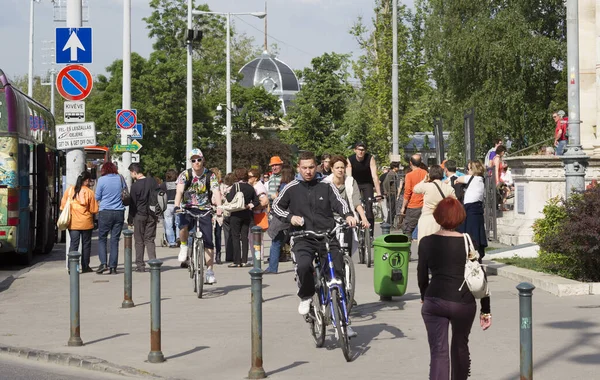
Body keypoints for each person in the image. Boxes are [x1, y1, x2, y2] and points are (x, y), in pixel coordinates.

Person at [271, 151, 357, 322]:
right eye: (304, 168)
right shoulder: (291, 187)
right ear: (299, 168)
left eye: (311, 167)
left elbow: (340, 202)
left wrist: (347, 215)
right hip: (302, 237)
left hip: (326, 236)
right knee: (303, 266)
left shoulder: (326, 185)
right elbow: (276, 206)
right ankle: (306, 296)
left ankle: (343, 319)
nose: (308, 171)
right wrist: (290, 218)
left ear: (316, 167)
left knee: (337, 275)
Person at [418, 197, 492, 380]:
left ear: (437, 217)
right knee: (460, 346)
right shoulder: (469, 242)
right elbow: (480, 276)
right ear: (460, 217)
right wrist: (486, 310)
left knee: (438, 351)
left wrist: (424, 295)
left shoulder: (427, 242)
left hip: (435, 300)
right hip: (463, 303)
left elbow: (421, 275)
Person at [174, 148, 222, 284]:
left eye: (199, 159)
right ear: (190, 162)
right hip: (188, 208)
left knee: (208, 242)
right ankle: (183, 246)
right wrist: (177, 206)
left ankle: (210, 271)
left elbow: (216, 191)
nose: (196, 162)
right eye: (193, 160)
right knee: (183, 226)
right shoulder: (185, 175)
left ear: (203, 160)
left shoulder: (210, 175)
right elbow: (179, 191)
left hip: (204, 209)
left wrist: (219, 207)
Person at [322, 155, 370, 251]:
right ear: (332, 169)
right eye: (337, 168)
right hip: (330, 218)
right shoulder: (325, 183)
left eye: (342, 167)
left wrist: (364, 218)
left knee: (347, 248)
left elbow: (357, 202)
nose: (340, 170)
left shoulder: (350, 181)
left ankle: (347, 260)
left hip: (347, 217)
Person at [60, 171, 99, 273]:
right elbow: (94, 209)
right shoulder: (89, 192)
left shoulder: (70, 190)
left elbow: (63, 206)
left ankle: (71, 267)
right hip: (86, 223)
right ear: (86, 181)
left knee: (74, 244)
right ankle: (85, 266)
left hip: (73, 223)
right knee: (86, 245)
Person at [95, 162, 126, 274]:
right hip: (119, 212)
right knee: (115, 240)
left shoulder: (102, 180)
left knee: (102, 238)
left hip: (105, 212)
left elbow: (97, 196)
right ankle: (113, 266)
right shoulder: (120, 178)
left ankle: (103, 263)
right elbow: (125, 192)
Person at [346, 142, 383, 237]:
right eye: (359, 149)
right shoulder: (350, 159)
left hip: (367, 183)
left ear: (365, 151)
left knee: (369, 206)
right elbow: (349, 177)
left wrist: (379, 193)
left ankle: (370, 234)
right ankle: (355, 231)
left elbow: (375, 176)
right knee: (355, 206)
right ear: (355, 150)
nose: (361, 152)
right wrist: (349, 192)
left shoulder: (370, 158)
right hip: (355, 184)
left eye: (363, 150)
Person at [128, 163, 159, 272]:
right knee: (150, 239)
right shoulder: (153, 182)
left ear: (134, 172)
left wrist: (130, 219)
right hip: (152, 215)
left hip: (139, 215)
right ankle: (153, 263)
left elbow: (132, 204)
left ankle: (140, 265)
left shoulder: (135, 186)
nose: (131, 176)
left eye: (131, 173)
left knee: (139, 241)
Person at [226, 168, 259, 268]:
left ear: (236, 176)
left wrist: (226, 194)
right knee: (244, 237)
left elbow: (229, 199)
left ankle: (237, 261)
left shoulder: (235, 186)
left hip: (236, 214)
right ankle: (244, 260)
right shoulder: (250, 187)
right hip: (246, 213)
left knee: (235, 237)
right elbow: (256, 201)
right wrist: (249, 205)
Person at [455, 161, 488, 261]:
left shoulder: (472, 178)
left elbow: (458, 179)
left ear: (473, 170)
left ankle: (470, 255)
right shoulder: (481, 179)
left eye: (468, 169)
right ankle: (477, 255)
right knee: (476, 234)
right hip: (477, 210)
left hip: (470, 210)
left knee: (469, 234)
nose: (467, 171)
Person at [413, 165, 456, 243]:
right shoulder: (449, 189)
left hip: (426, 219)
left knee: (425, 245)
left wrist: (424, 180)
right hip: (442, 220)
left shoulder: (427, 186)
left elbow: (415, 189)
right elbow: (454, 204)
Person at [400, 154, 428, 239]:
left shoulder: (409, 175)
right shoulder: (426, 173)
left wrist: (403, 207)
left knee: (407, 229)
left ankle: (407, 250)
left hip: (413, 205)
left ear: (410, 163)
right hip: (425, 204)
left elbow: (407, 192)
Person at [248, 168, 270, 265]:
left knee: (256, 238)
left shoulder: (259, 187)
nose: (248, 178)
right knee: (255, 238)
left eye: (249, 177)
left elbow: (264, 201)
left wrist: (253, 206)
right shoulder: (255, 186)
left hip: (258, 214)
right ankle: (257, 258)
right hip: (257, 214)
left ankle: (258, 259)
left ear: (255, 178)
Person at [160, 169, 179, 248]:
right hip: (177, 204)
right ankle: (179, 237)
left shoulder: (164, 185)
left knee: (168, 224)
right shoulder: (178, 184)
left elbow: (160, 195)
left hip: (167, 205)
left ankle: (172, 242)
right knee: (178, 223)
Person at [209, 168, 224, 264]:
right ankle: (210, 254)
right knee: (208, 234)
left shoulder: (221, 186)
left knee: (218, 234)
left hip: (218, 211)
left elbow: (223, 197)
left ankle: (218, 254)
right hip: (209, 210)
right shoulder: (207, 185)